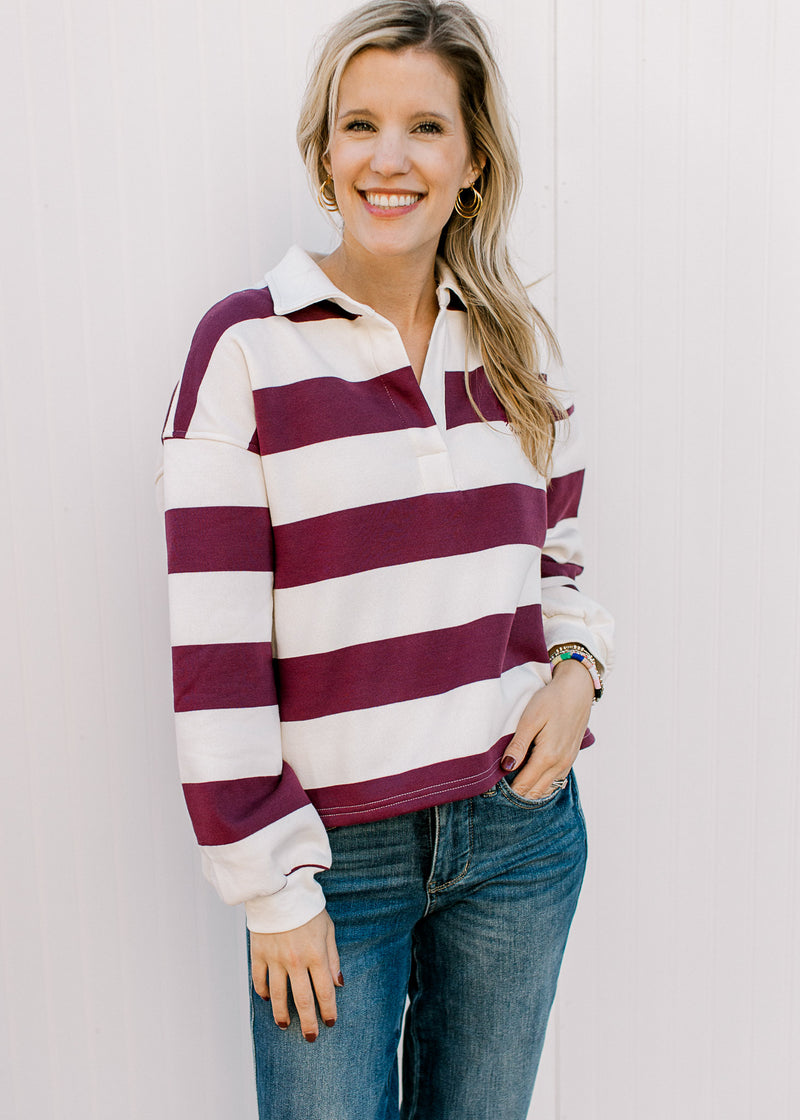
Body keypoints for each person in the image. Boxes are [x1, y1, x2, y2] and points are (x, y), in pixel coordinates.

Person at [159, 1, 614, 1116]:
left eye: (424, 127)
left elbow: (555, 562)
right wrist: (271, 888)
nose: (389, 158)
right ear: (323, 152)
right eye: (359, 124)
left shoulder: (515, 349)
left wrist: (576, 668)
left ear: (472, 159)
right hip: (329, 859)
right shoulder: (245, 349)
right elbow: (213, 649)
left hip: (517, 834)